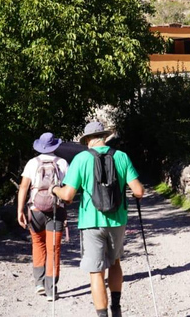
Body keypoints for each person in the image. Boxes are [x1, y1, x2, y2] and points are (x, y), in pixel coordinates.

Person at [52, 121, 144, 317]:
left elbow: (67, 195)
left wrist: (54, 189)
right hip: (117, 219)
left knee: (96, 271)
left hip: (91, 222)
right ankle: (116, 309)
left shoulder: (81, 158)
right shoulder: (121, 156)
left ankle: (102, 315)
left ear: (87, 140)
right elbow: (138, 191)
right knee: (115, 263)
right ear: (105, 137)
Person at [17, 132, 69, 301]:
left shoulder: (33, 163)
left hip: (35, 210)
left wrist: (20, 211)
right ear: (55, 145)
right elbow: (68, 190)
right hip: (56, 210)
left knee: (38, 244)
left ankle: (39, 284)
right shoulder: (62, 163)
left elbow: (24, 187)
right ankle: (50, 289)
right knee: (53, 249)